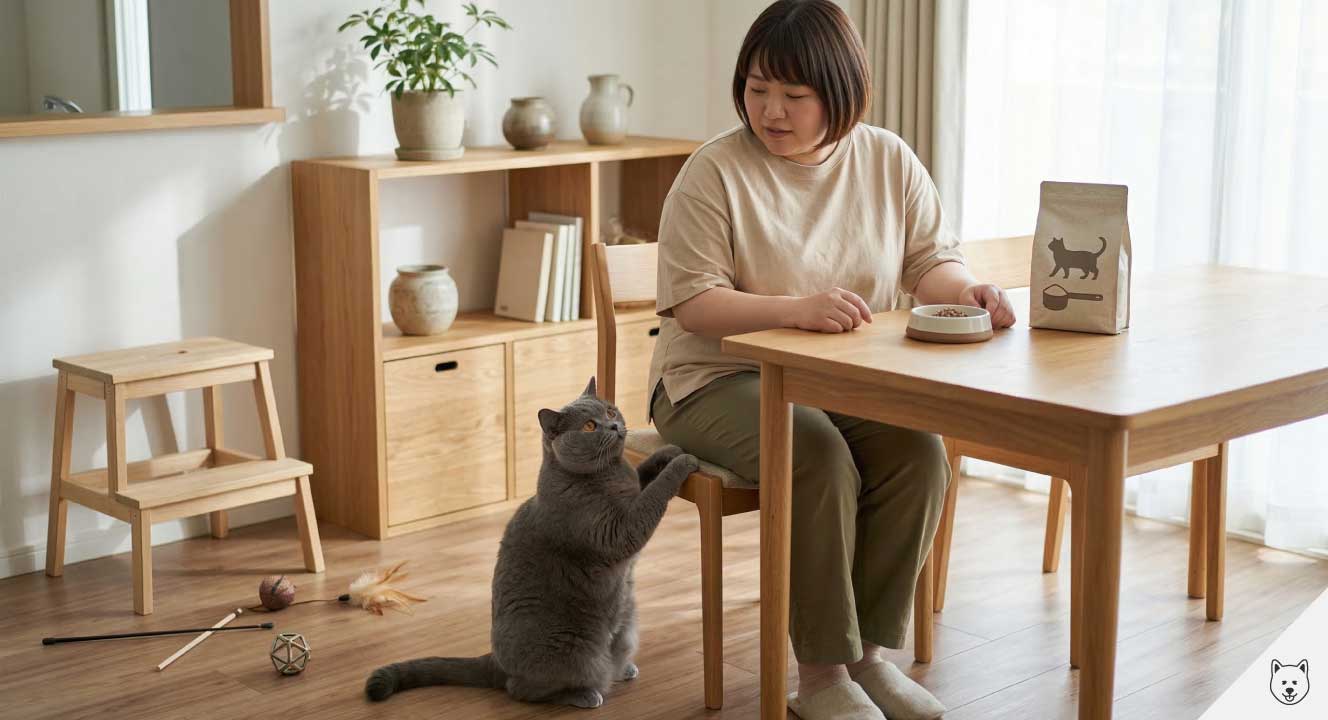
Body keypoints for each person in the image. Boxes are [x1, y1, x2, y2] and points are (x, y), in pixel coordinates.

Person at [646, 1, 1015, 718]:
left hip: (837, 381)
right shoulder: (714, 171)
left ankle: (869, 662)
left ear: (841, 92)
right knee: (811, 449)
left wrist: (969, 290)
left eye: (793, 94)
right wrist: (794, 307)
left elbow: (927, 264)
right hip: (711, 382)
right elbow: (695, 305)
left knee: (918, 452)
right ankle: (820, 678)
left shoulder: (886, 158)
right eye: (757, 89)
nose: (770, 111)